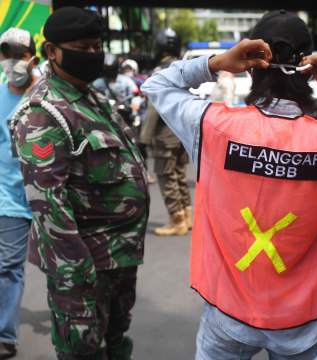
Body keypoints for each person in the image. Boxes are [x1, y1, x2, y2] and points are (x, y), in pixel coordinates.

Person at [141, 10, 317, 360]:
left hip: (227, 317)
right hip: (299, 323)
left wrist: (216, 62)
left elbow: (156, 85)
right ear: (310, 69)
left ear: (251, 64)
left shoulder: (213, 126)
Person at [10, 7, 150, 359]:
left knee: (117, 338)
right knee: (81, 351)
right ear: (52, 51)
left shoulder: (93, 97)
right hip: (83, 265)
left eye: (96, 46)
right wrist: (77, 272)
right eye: (82, 47)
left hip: (120, 255)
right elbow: (47, 202)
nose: (92, 55)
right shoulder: (44, 111)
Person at [0, 27, 38, 360]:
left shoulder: (45, 96)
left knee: (8, 267)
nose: (12, 61)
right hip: (3, 195)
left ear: (32, 57)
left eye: (18, 54)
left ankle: (5, 335)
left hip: (27, 198)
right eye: (5, 54)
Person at [139, 28, 193, 236]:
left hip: (165, 133)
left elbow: (154, 108)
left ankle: (176, 219)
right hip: (182, 131)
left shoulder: (159, 72)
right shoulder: (183, 68)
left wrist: (143, 139)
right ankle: (186, 215)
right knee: (179, 173)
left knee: (166, 174)